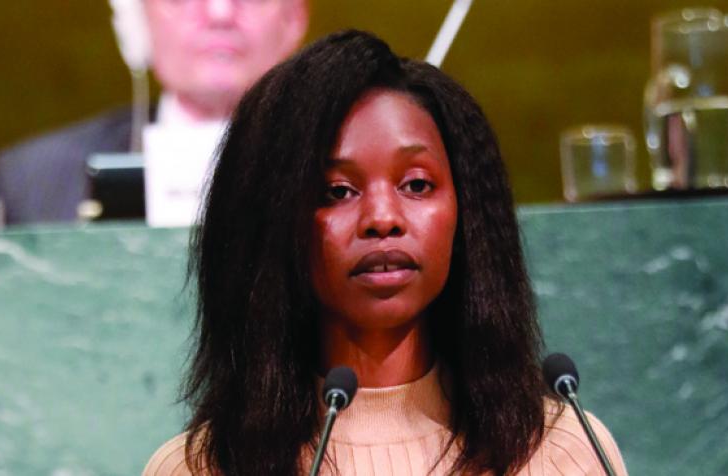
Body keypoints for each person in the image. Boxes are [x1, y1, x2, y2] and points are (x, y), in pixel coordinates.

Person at [143, 30, 629, 475]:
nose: (382, 218)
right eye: (337, 191)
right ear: (273, 223)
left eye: (416, 184)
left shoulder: (559, 451)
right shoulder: (201, 468)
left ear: (468, 216)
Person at [0, 0, 308, 225]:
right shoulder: (37, 180)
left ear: (294, 18)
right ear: (137, 20)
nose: (220, 11)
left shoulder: (342, 166)